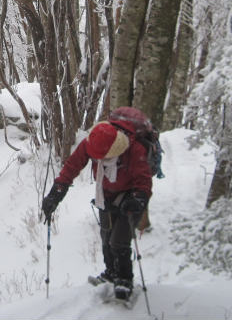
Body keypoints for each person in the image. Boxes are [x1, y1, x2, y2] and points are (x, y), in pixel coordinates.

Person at [41, 119, 152, 300]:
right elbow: (71, 167)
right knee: (106, 236)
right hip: (105, 194)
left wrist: (138, 199)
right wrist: (56, 194)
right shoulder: (90, 143)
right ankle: (110, 272)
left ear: (113, 150)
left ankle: (124, 280)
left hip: (131, 197)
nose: (98, 160)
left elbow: (144, 181)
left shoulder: (134, 150)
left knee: (119, 241)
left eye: (103, 158)